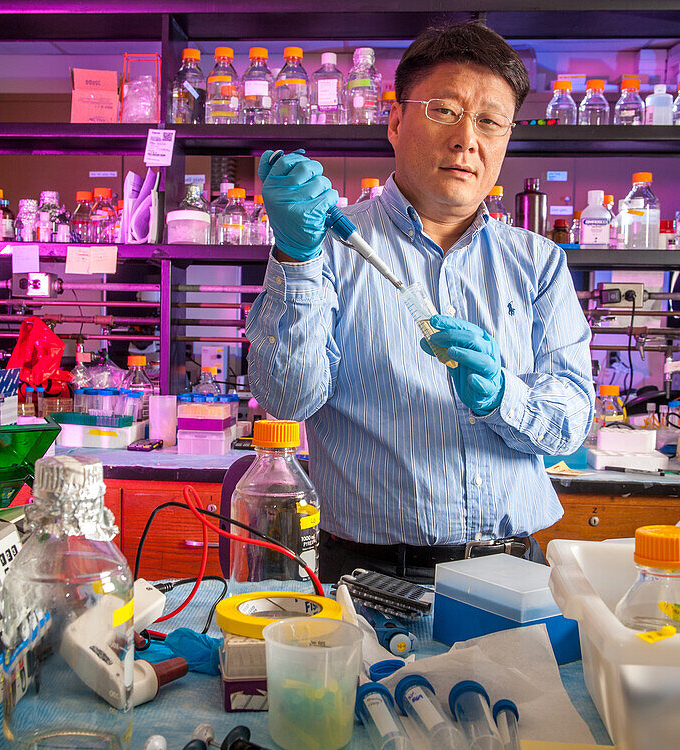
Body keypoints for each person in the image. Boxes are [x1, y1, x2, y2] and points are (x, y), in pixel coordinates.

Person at [245, 21, 593, 582]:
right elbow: (288, 399)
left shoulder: (539, 263)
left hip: (515, 571)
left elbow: (571, 422)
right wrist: (295, 257)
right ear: (395, 119)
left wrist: (502, 396)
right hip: (367, 574)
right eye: (445, 111)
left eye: (490, 122)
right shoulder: (325, 248)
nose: (467, 140)